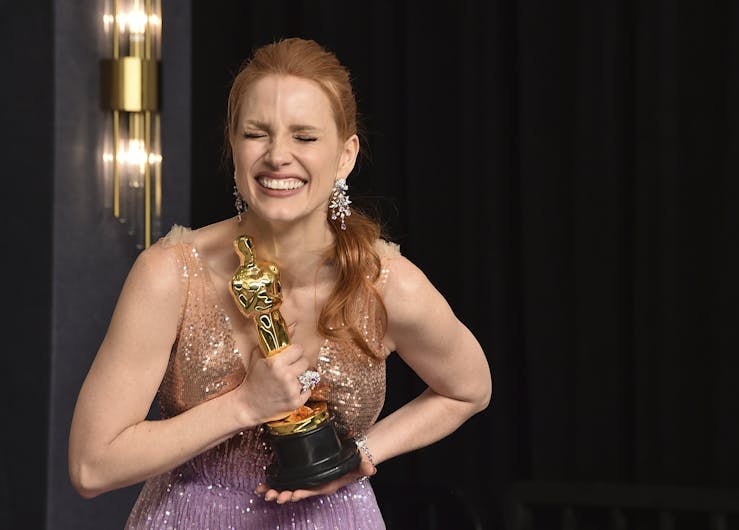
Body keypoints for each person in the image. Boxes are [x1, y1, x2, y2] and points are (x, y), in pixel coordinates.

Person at [68, 37, 492, 529]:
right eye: (256, 134)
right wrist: (244, 405)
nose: (277, 156)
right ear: (233, 143)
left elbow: (470, 389)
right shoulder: (170, 273)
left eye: (305, 137)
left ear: (345, 156)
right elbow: (91, 466)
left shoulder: (387, 284)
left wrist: (361, 454)